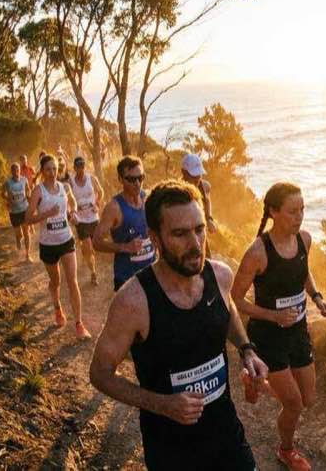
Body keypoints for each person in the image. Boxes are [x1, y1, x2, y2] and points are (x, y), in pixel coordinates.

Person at [89, 180, 269, 470]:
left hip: (226, 435)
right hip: (171, 451)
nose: (195, 245)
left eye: (199, 230)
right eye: (180, 234)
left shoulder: (220, 276)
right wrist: (162, 404)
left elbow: (229, 309)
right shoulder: (134, 301)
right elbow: (99, 373)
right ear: (155, 238)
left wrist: (247, 350)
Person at [231, 182, 326, 471]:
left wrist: (317, 297)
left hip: (298, 331)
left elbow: (304, 272)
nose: (299, 217)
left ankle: (257, 383)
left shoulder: (305, 239)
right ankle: (286, 451)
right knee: (294, 404)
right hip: (268, 336)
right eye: (291, 211)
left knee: (308, 397)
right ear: (274, 212)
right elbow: (235, 300)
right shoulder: (257, 252)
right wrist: (273, 316)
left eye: (302, 210)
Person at [24, 155, 91, 339]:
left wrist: (73, 211)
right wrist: (46, 214)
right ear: (42, 171)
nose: (52, 173)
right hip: (48, 245)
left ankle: (79, 324)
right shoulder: (39, 191)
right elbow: (28, 218)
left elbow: (72, 201)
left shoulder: (64, 187)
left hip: (66, 240)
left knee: (72, 281)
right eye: (48, 169)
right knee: (56, 282)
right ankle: (57, 308)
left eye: (54, 169)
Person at [94, 156, 156, 290]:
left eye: (141, 178)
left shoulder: (149, 199)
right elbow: (96, 242)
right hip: (127, 281)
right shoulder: (114, 208)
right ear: (120, 179)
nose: (137, 183)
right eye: (131, 179)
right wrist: (125, 247)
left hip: (152, 276)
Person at [70, 156, 105, 287]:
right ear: (74, 168)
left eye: (82, 166)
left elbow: (100, 192)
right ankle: (93, 273)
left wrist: (97, 204)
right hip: (80, 219)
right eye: (78, 167)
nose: (81, 169)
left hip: (93, 216)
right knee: (88, 247)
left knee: (93, 245)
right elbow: (67, 198)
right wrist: (71, 211)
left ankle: (86, 254)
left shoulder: (92, 178)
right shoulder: (71, 182)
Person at [2, 162, 32, 261]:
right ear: (11, 171)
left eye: (18, 170)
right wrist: (8, 200)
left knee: (26, 233)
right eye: (14, 170)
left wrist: (28, 196)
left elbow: (28, 190)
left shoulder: (24, 180)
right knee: (19, 234)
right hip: (14, 212)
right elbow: (2, 193)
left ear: (20, 171)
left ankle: (27, 255)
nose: (16, 172)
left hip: (24, 209)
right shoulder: (7, 182)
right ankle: (18, 239)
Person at [181, 153, 217, 235]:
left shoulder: (205, 187)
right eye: (193, 175)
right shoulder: (177, 192)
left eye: (199, 174)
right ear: (183, 172)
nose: (197, 178)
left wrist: (209, 219)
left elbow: (207, 201)